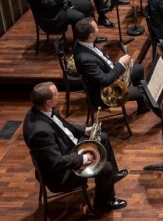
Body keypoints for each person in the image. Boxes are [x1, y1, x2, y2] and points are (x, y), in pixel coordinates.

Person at [23, 81, 127, 211]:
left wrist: (85, 130)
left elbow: (63, 127)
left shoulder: (40, 109)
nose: (59, 95)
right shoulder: (40, 132)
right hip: (61, 173)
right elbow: (56, 162)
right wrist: (84, 158)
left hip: (67, 147)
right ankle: (104, 202)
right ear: (48, 102)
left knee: (103, 137)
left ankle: (113, 176)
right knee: (106, 168)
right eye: (56, 94)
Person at [72, 17, 163, 119]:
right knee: (147, 91)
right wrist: (121, 64)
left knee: (139, 68)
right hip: (105, 93)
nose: (98, 29)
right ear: (91, 35)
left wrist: (119, 66)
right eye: (96, 28)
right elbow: (105, 80)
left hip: (109, 74)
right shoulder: (85, 59)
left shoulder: (81, 41)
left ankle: (143, 106)